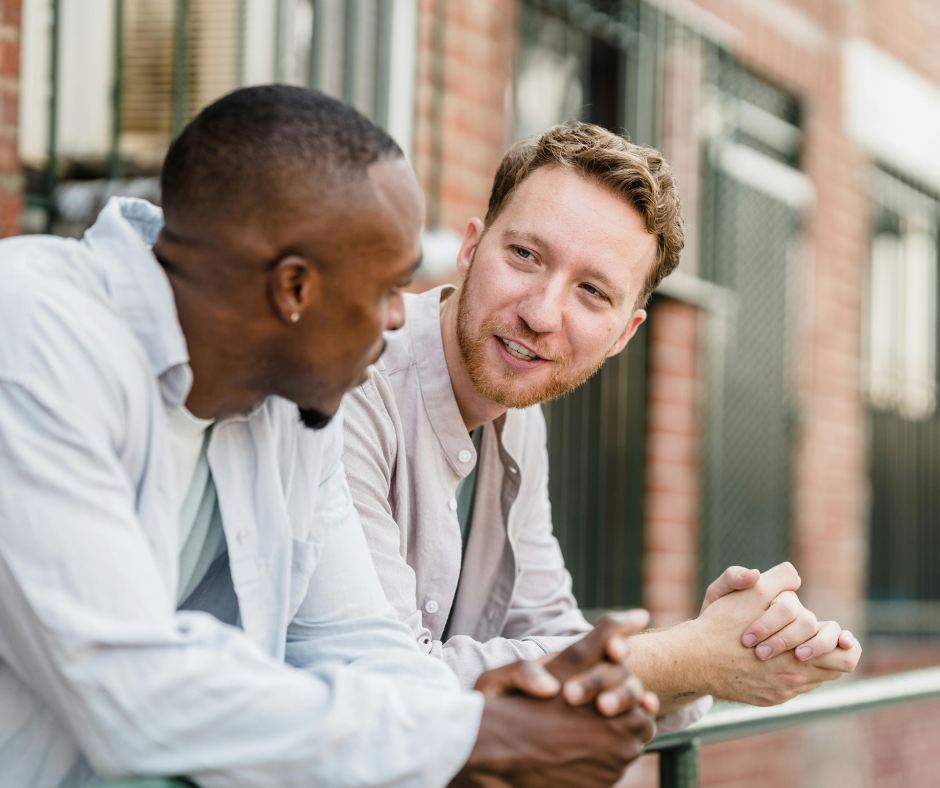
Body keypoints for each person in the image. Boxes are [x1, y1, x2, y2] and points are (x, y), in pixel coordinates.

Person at [0, 88, 658, 788]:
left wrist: (492, 713)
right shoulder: (33, 338)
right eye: (385, 290)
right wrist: (473, 736)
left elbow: (351, 640)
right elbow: (130, 688)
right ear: (294, 290)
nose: (400, 320)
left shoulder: (288, 397)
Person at [342, 121, 862, 728]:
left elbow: (551, 633)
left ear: (624, 334)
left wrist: (725, 653)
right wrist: (685, 654)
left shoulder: (519, 419)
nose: (539, 313)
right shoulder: (351, 383)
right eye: (525, 255)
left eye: (592, 291)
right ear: (469, 249)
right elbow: (388, 684)